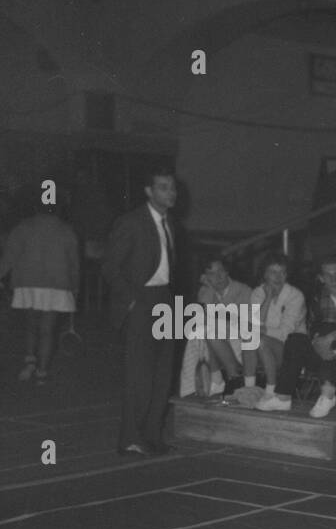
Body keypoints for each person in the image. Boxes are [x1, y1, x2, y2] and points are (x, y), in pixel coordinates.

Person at [103, 163, 185, 456]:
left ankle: (153, 435)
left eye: (173, 187)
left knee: (163, 373)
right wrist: (133, 299)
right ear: (149, 191)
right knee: (140, 374)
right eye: (164, 187)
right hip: (143, 300)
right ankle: (130, 438)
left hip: (166, 299)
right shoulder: (131, 222)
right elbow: (110, 267)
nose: (171, 193)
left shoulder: (170, 223)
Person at [256, 255, 336, 417]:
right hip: (325, 351)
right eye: (327, 275)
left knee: (329, 330)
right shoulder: (317, 296)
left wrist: (330, 338)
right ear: (321, 277)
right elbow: (312, 324)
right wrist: (317, 341)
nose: (332, 279)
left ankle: (327, 395)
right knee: (295, 339)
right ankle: (283, 397)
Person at [0, 191, 80, 384]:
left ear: (36, 206)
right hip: (57, 286)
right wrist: (75, 290)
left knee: (30, 326)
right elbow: (74, 265)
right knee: (47, 330)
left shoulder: (22, 228)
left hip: (27, 284)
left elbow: (8, 258)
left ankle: (29, 362)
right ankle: (42, 373)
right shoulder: (67, 230)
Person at [243, 253, 306, 405]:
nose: (278, 277)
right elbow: (254, 323)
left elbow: (286, 333)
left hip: (290, 350)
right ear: (264, 274)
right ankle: (249, 390)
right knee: (251, 338)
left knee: (259, 339)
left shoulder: (295, 295)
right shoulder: (258, 292)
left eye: (282, 272)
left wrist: (261, 331)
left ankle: (271, 392)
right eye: (273, 272)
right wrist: (268, 298)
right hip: (261, 347)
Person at [191, 256, 254, 397]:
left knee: (209, 331)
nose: (218, 277)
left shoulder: (243, 290)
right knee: (202, 330)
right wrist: (209, 289)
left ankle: (229, 378)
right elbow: (202, 318)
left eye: (221, 271)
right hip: (219, 337)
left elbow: (242, 322)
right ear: (206, 277)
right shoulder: (206, 291)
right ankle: (219, 380)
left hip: (244, 338)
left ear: (227, 272)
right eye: (211, 274)